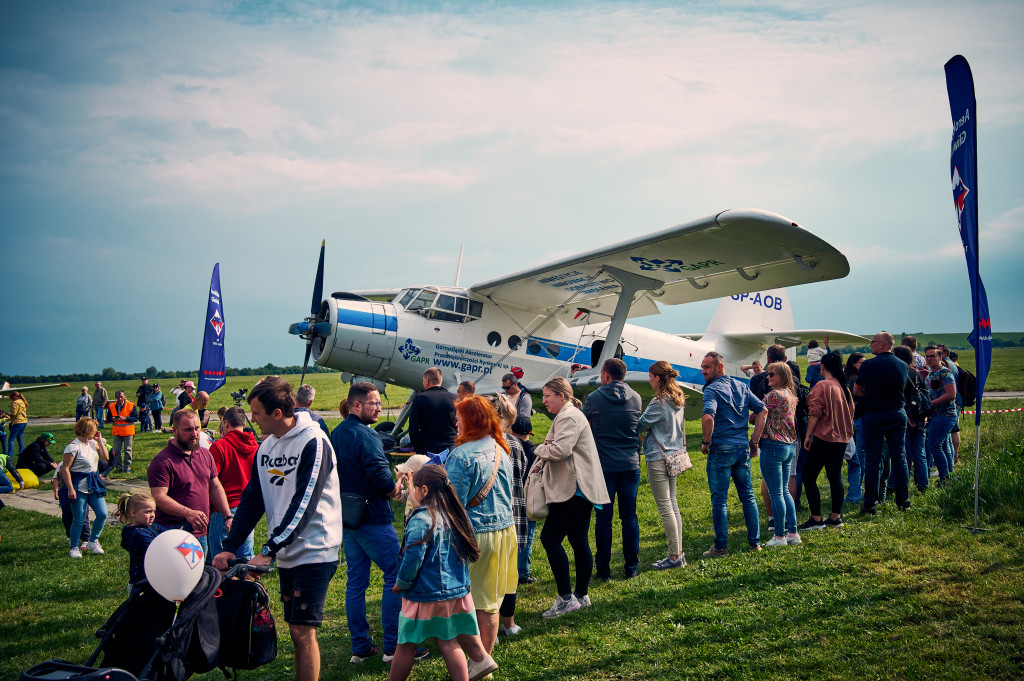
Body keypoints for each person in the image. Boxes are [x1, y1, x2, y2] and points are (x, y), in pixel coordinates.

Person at [214, 377, 343, 681]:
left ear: (276, 413)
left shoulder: (313, 441)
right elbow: (252, 499)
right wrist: (230, 544)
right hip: (285, 550)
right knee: (296, 630)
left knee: (301, 631)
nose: (251, 418)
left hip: (315, 548)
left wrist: (269, 550)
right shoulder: (266, 446)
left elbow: (305, 503)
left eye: (256, 412)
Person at [389, 465, 497, 681]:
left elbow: (413, 559)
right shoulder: (458, 515)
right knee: (447, 640)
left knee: (406, 643)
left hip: (423, 595)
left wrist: (401, 582)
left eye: (416, 488)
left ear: (425, 490)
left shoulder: (421, 520)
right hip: (455, 592)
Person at [330, 382, 408, 664]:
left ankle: (360, 647)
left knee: (356, 582)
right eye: (373, 403)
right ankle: (394, 647)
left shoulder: (337, 432)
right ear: (356, 405)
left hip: (348, 517)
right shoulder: (367, 434)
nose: (378, 407)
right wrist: (395, 486)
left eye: (378, 402)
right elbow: (380, 477)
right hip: (373, 517)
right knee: (395, 575)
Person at [445, 395, 516, 655]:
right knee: (490, 604)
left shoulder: (461, 455)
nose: (456, 424)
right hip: (504, 532)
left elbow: (453, 506)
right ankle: (483, 659)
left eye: (459, 419)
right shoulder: (501, 447)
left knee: (466, 603)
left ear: (471, 420)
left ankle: (479, 661)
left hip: (475, 536)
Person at [533, 377, 610, 618]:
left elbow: (559, 450)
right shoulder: (570, 414)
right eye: (543, 396)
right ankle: (581, 595)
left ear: (562, 396)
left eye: (548, 396)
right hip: (580, 488)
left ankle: (566, 599)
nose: (544, 401)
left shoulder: (568, 416)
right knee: (578, 540)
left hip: (572, 489)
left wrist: (536, 448)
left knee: (550, 539)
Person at [581, 357, 642, 581]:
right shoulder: (635, 397)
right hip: (630, 464)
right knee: (629, 516)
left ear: (605, 375)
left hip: (604, 466)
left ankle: (603, 571)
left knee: (603, 519)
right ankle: (631, 567)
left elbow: (580, 423)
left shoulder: (595, 398)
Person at [700, 351, 766, 556]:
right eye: (702, 367)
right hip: (741, 448)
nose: (703, 371)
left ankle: (721, 546)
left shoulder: (712, 390)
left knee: (719, 499)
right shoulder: (741, 386)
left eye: (707, 367)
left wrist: (705, 442)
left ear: (719, 367)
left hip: (721, 448)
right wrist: (754, 441)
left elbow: (708, 418)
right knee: (748, 496)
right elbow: (763, 411)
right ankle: (754, 543)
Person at [148, 409, 232, 554]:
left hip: (200, 532)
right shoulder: (162, 461)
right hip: (174, 533)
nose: (194, 434)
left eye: (197, 428)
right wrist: (188, 513)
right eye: (188, 430)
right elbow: (159, 497)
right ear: (174, 430)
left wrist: (228, 516)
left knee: (200, 575)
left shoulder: (205, 454)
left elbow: (215, 486)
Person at [637, 361, 688, 569]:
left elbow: (640, 425)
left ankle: (674, 556)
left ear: (658, 378)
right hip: (674, 455)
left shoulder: (658, 402)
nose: (649, 381)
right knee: (673, 505)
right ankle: (678, 553)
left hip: (658, 457)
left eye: (650, 377)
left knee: (665, 507)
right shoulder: (678, 398)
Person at [854, 332, 911, 515]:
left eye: (872, 342)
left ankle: (870, 503)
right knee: (899, 458)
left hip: (874, 414)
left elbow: (857, 390)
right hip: (897, 413)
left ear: (881, 344)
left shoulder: (869, 365)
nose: (870, 345)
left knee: (872, 459)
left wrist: (872, 395)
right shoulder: (902, 365)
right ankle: (903, 500)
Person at [487, 393, 528, 637]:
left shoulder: (480, 443)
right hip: (514, 515)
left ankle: (487, 628)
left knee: (487, 579)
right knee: (509, 575)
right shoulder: (514, 444)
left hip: (490, 519)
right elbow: (521, 476)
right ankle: (508, 623)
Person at [800, 351, 854, 530]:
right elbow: (851, 411)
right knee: (834, 476)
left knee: (809, 476)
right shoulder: (844, 387)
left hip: (824, 437)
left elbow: (814, 412)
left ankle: (816, 519)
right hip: (842, 437)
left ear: (822, 367)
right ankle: (835, 517)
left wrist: (808, 435)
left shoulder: (822, 385)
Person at [758, 362, 802, 547]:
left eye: (771, 374)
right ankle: (792, 532)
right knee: (784, 492)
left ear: (782, 376)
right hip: (789, 444)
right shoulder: (791, 395)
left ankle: (779, 536)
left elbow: (758, 413)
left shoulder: (774, 395)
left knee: (776, 492)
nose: (768, 377)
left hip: (773, 445)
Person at [208, 406, 259, 561]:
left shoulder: (219, 446)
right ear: (244, 425)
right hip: (247, 508)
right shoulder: (255, 447)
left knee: (220, 560)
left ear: (226, 424)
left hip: (223, 509)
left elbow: (211, 480)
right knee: (245, 557)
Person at [61, 417, 109, 557]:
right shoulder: (73, 447)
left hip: (93, 482)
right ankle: (74, 547)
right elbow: (65, 469)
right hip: (78, 483)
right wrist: (70, 488)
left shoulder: (93, 443)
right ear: (87, 429)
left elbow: (105, 458)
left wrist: (100, 440)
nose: (96, 430)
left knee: (102, 513)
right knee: (79, 518)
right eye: (94, 428)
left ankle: (93, 540)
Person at [114, 492, 167, 595]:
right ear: (133, 513)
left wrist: (188, 526)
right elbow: (157, 551)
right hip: (140, 585)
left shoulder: (150, 527)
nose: (152, 515)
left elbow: (167, 531)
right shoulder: (138, 534)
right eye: (148, 512)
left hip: (150, 582)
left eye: (154, 511)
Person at [893, 346, 929, 493]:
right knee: (920, 453)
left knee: (904, 455)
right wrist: (923, 415)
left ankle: (902, 486)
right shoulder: (917, 374)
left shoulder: (900, 373)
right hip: (920, 416)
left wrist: (907, 417)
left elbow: (900, 398)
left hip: (907, 416)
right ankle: (923, 485)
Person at [924, 345, 958, 485]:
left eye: (933, 356)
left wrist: (931, 403)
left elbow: (951, 394)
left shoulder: (944, 373)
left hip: (945, 414)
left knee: (934, 445)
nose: (929, 358)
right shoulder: (931, 374)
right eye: (927, 356)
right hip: (935, 415)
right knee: (942, 445)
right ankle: (948, 474)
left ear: (940, 357)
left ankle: (945, 478)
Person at [510, 415, 538, 584]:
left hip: (513, 498)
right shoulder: (535, 451)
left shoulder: (511, 449)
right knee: (527, 536)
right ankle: (522, 571)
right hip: (530, 499)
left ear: (512, 431)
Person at [409, 368, 458, 457]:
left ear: (427, 381)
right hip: (450, 447)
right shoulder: (454, 398)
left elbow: (413, 429)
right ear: (440, 381)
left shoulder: (420, 398)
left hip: (428, 448)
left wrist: (418, 449)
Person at [843, 353, 866, 504]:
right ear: (853, 363)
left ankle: (854, 488)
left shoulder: (844, 378)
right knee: (858, 457)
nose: (863, 365)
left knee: (854, 458)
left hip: (848, 421)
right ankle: (855, 491)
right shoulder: (856, 379)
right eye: (860, 362)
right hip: (857, 418)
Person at [106, 390, 138, 474]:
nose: (120, 399)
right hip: (117, 432)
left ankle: (127, 467)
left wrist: (125, 418)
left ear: (124, 396)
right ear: (115, 397)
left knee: (127, 450)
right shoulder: (112, 406)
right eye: (118, 397)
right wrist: (112, 419)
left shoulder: (131, 405)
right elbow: (108, 418)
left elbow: (135, 418)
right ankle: (119, 467)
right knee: (117, 450)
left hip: (128, 432)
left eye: (121, 397)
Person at [6, 391, 28, 457]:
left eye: (11, 397)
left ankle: (10, 455)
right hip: (24, 421)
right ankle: (21, 452)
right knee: (20, 437)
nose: (11, 399)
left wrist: (8, 414)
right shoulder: (22, 401)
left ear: (14, 396)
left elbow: (14, 414)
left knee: (11, 440)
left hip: (17, 422)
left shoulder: (14, 403)